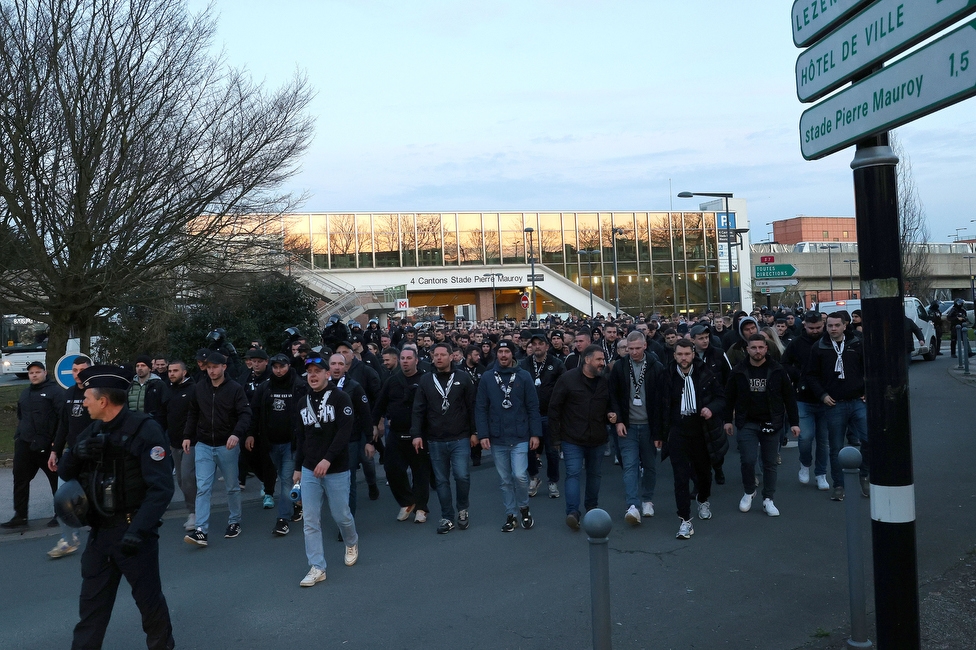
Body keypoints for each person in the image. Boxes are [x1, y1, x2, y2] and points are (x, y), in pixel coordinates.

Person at [56, 365, 175, 649]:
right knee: (91, 610)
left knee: (150, 605)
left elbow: (161, 489)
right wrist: (76, 453)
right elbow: (65, 471)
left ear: (103, 400)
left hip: (134, 533)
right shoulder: (93, 429)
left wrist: (139, 530)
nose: (82, 402)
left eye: (87, 397)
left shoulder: (144, 430)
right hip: (100, 535)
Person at [293, 357, 359, 587]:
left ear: (327, 374)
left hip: (336, 468)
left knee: (341, 514)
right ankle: (317, 566)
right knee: (310, 519)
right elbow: (301, 437)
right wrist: (297, 467)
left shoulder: (341, 398)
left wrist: (327, 460)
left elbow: (344, 433)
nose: (312, 375)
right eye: (309, 372)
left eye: (317, 371)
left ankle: (351, 541)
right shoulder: (302, 402)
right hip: (309, 468)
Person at [724, 334, 800, 517]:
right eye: (753, 348)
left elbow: (789, 398)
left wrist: (794, 423)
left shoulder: (777, 370)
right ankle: (749, 491)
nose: (757, 351)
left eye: (761, 347)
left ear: (766, 348)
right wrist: (727, 420)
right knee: (748, 460)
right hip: (747, 421)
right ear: (747, 349)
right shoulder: (738, 371)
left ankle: (768, 499)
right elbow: (729, 397)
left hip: (772, 421)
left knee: (770, 463)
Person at [182, 351, 252, 546]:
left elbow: (245, 414)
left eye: (215, 367)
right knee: (203, 488)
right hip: (203, 444)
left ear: (224, 367)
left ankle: (234, 521)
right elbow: (193, 413)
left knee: (231, 487)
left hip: (227, 445)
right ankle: (201, 530)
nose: (211, 371)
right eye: (209, 367)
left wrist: (236, 434)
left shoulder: (235, 389)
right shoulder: (199, 388)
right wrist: (188, 436)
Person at [475, 340, 542, 532]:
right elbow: (480, 408)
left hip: (520, 435)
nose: (503, 355)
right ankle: (510, 514)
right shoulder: (488, 377)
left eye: (507, 352)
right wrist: (483, 434)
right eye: (500, 352)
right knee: (504, 480)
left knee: (520, 476)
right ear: (497, 354)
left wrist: (536, 433)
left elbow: (533, 406)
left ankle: (524, 507)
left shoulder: (524, 376)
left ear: (513, 354)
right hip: (497, 437)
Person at [411, 342, 478, 534]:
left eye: (442, 355)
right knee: (441, 481)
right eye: (435, 355)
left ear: (451, 356)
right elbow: (418, 409)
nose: (438, 358)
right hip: (435, 438)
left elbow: (472, 406)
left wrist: (475, 432)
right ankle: (447, 516)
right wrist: (416, 434)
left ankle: (462, 509)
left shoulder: (463, 378)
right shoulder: (426, 380)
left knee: (462, 476)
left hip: (460, 437)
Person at [662, 339, 725, 540]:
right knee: (680, 477)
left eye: (687, 354)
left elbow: (721, 398)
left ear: (693, 354)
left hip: (701, 430)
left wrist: (710, 409)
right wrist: (659, 435)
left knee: (703, 473)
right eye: (679, 354)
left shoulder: (704, 373)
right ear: (674, 356)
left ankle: (703, 499)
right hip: (677, 432)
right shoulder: (667, 375)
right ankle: (685, 520)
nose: (683, 358)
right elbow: (660, 406)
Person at [803, 312, 868, 501]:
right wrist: (822, 395)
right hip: (834, 404)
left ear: (845, 325)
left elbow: (868, 368)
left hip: (857, 401)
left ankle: (864, 475)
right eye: (829, 325)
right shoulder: (819, 347)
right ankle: (839, 485)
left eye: (836, 325)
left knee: (868, 439)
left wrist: (866, 389)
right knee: (836, 447)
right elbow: (811, 375)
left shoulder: (857, 343)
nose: (833, 329)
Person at [549, 344, 611, 530]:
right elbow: (554, 408)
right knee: (573, 474)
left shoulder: (604, 381)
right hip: (572, 438)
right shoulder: (567, 379)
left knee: (594, 475)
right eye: (599, 360)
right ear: (587, 360)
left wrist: (612, 414)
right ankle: (572, 512)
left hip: (597, 438)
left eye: (603, 359)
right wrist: (556, 439)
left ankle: (592, 508)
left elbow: (611, 403)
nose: (602, 363)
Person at [607, 331, 663, 524]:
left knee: (649, 465)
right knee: (629, 465)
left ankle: (647, 499)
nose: (634, 352)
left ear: (645, 346)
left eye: (638, 348)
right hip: (628, 425)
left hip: (649, 425)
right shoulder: (620, 367)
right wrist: (619, 420)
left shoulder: (656, 367)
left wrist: (660, 431)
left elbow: (662, 400)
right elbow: (613, 395)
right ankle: (632, 504)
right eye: (630, 349)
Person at [2, 360, 64, 529]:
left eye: (37, 372)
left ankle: (61, 515)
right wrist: (19, 436)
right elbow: (21, 416)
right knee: (20, 479)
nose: (34, 375)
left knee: (56, 481)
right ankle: (20, 516)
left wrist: (55, 444)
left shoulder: (55, 392)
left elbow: (62, 420)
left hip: (47, 445)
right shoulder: (25, 393)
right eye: (31, 373)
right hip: (25, 444)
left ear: (45, 373)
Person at [371, 346, 431, 522]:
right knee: (391, 469)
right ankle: (406, 502)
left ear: (416, 360)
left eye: (409, 358)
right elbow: (380, 404)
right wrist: (375, 424)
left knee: (420, 472)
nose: (405, 361)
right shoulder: (392, 381)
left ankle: (421, 508)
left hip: (419, 433)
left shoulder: (425, 380)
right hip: (396, 433)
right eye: (403, 358)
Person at [249, 353, 305, 535]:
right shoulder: (265, 387)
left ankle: (282, 519)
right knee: (281, 476)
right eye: (275, 367)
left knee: (287, 480)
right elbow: (255, 412)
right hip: (270, 442)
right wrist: (250, 434)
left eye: (282, 366)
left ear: (288, 366)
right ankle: (297, 502)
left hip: (291, 442)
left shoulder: (299, 386)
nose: (279, 370)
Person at [47, 355, 93, 557]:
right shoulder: (69, 394)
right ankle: (68, 539)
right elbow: (63, 426)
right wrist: (55, 450)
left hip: (94, 454)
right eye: (74, 370)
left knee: (93, 497)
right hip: (71, 453)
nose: (78, 374)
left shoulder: (98, 393)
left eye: (82, 370)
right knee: (62, 496)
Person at [781, 312, 831, 491]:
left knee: (823, 440)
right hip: (803, 397)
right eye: (812, 328)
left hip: (826, 397)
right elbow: (784, 363)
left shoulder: (829, 341)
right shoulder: (796, 343)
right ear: (804, 326)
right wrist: (798, 375)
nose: (815, 331)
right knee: (805, 437)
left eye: (818, 327)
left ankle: (821, 473)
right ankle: (805, 463)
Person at [519, 332, 565, 499]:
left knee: (552, 451)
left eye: (541, 343)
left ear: (547, 346)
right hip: (530, 415)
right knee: (530, 449)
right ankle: (534, 477)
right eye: (534, 344)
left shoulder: (557, 363)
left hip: (550, 414)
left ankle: (553, 481)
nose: (537, 346)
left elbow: (563, 387)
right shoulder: (524, 364)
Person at [164, 360, 197, 532]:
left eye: (175, 371)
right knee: (180, 480)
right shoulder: (168, 389)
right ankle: (195, 508)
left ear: (184, 372)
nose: (171, 373)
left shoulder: (193, 389)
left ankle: (194, 512)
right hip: (173, 442)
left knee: (187, 477)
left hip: (191, 442)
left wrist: (191, 436)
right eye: (170, 371)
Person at [127, 355, 166, 424]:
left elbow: (164, 406)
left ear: (150, 368)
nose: (140, 368)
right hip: (132, 423)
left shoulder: (158, 384)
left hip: (151, 424)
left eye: (143, 365)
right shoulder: (131, 385)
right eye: (137, 366)